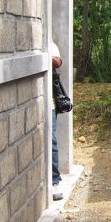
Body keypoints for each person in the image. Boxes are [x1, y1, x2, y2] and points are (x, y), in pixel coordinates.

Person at [50, 41, 63, 201]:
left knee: (51, 141)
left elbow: (58, 62)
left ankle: (55, 181)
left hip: (50, 104)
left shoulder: (50, 43)